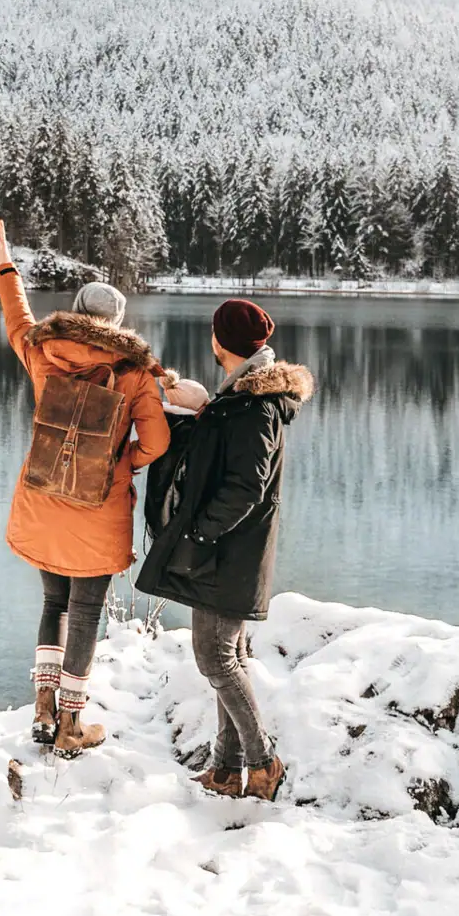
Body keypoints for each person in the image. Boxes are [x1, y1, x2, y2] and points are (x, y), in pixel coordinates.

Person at [0, 220, 173, 758]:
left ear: (74, 310)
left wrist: (5, 265)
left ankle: (42, 706)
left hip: (44, 494)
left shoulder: (43, 351)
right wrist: (123, 464)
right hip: (98, 504)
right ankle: (71, 724)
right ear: (116, 323)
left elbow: (17, 318)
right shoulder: (134, 371)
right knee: (87, 610)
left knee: (54, 600)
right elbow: (157, 442)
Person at [137, 298, 314, 801]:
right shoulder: (242, 398)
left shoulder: (255, 405)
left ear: (221, 342)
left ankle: (264, 762)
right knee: (226, 653)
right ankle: (225, 767)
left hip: (228, 551)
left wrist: (200, 534)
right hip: (228, 550)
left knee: (215, 658)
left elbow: (246, 486)